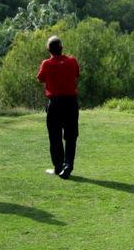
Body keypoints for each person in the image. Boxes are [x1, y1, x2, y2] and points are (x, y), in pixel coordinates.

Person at [37, 35, 80, 180]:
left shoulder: (46, 64)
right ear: (62, 48)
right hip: (71, 102)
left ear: (49, 50)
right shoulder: (72, 61)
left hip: (55, 103)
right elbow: (76, 74)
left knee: (55, 137)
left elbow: (40, 78)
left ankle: (58, 167)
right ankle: (68, 165)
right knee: (71, 136)